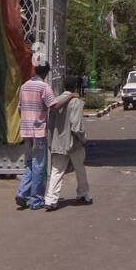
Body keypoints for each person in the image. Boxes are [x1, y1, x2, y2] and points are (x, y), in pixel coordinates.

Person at [15, 63, 75, 210]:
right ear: (47, 73)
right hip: (38, 130)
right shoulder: (44, 87)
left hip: (26, 130)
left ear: (35, 70)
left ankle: (22, 193)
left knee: (30, 162)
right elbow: (54, 106)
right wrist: (71, 96)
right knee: (40, 165)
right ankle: (36, 200)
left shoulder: (24, 86)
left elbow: (19, 109)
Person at [45, 76, 92, 211]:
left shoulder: (55, 101)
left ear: (63, 86)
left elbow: (50, 123)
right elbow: (77, 126)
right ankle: (83, 194)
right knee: (80, 169)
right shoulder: (75, 102)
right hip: (73, 143)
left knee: (56, 171)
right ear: (75, 87)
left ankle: (51, 199)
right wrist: (84, 140)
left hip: (57, 142)